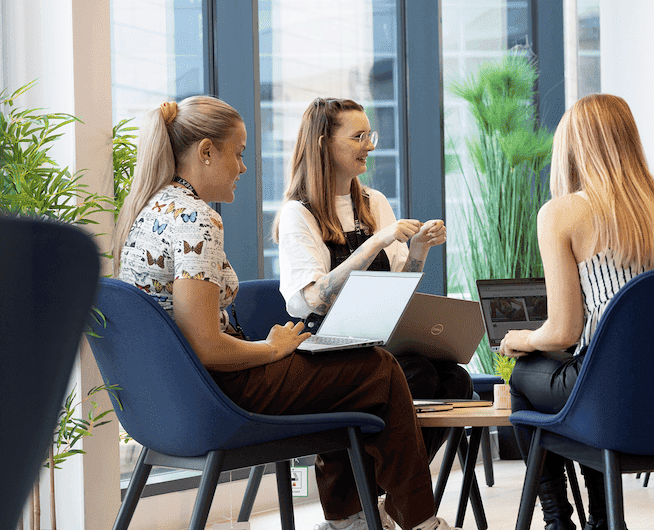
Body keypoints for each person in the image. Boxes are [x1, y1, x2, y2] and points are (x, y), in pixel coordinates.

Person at [113, 96, 455, 530]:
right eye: (237, 153)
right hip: (217, 393)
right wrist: (270, 349)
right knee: (380, 370)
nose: (243, 167)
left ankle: (351, 517)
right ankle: (417, 523)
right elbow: (205, 346)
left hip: (167, 401)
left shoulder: (149, 210)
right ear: (205, 151)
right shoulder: (195, 221)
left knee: (387, 371)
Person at [497, 93, 654, 530]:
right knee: (579, 377)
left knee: (523, 374)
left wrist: (520, 339)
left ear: (572, 148)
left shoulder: (562, 213)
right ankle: (601, 518)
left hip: (613, 394)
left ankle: (560, 520)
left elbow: (562, 332)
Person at [274, 97, 473, 459]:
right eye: (358, 137)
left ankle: (385, 492)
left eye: (370, 135)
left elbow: (396, 288)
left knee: (456, 379)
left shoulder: (373, 201)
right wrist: (377, 241)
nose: (369, 146)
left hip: (381, 339)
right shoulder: (297, 213)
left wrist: (418, 250)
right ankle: (379, 492)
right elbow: (313, 299)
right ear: (323, 143)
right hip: (329, 347)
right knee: (416, 375)